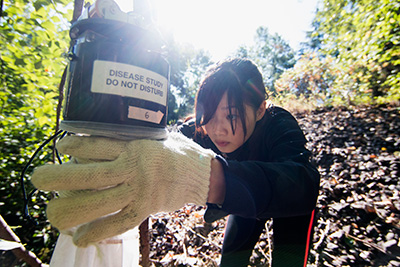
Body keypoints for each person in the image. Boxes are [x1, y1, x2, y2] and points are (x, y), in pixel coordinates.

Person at [32, 58, 320, 267]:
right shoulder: (203, 128)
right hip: (244, 201)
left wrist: (209, 179)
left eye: (231, 116)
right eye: (209, 114)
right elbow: (163, 142)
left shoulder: (279, 123)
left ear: (260, 109)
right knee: (231, 259)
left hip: (291, 208)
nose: (217, 129)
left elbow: (303, 184)